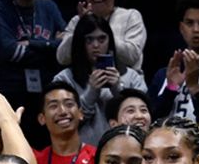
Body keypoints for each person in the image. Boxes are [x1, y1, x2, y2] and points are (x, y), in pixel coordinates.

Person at [0, 0, 65, 148]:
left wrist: (30, 44)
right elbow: (8, 51)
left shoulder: (48, 6)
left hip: (45, 91)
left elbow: (63, 49)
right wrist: (48, 48)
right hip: (12, 93)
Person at [54, 14, 149, 143]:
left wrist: (118, 90)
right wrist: (91, 92)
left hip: (125, 150)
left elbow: (143, 119)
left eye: (102, 39)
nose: (96, 45)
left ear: (110, 41)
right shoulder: (64, 79)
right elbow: (62, 124)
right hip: (81, 153)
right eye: (89, 40)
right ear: (80, 43)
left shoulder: (131, 76)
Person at [55, 0, 146, 72]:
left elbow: (132, 57)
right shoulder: (78, 20)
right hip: (87, 84)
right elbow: (62, 58)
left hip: (125, 84)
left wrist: (102, 31)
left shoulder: (131, 16)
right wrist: (82, 26)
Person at [31, 82, 98, 164]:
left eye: (69, 104)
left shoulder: (97, 158)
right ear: (42, 119)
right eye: (53, 106)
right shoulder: (35, 161)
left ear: (80, 113)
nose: (62, 111)